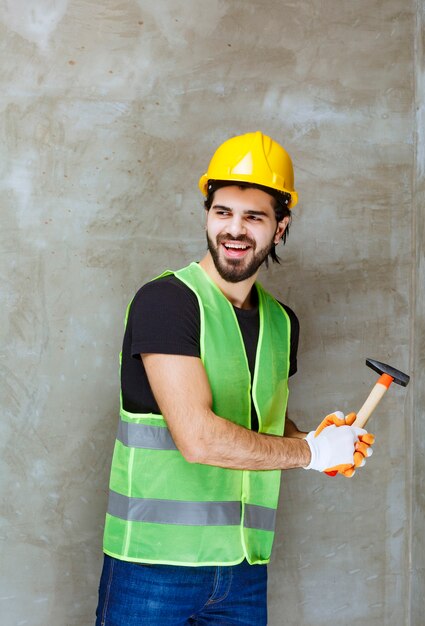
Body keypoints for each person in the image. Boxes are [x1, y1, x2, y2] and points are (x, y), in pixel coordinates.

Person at [95, 131, 375, 625]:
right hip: (154, 564)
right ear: (207, 215)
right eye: (223, 211)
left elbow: (259, 419)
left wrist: (317, 438)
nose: (235, 229)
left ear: (280, 226)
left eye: (254, 216)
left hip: (244, 567)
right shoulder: (167, 302)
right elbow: (199, 439)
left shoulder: (282, 321)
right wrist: (308, 454)